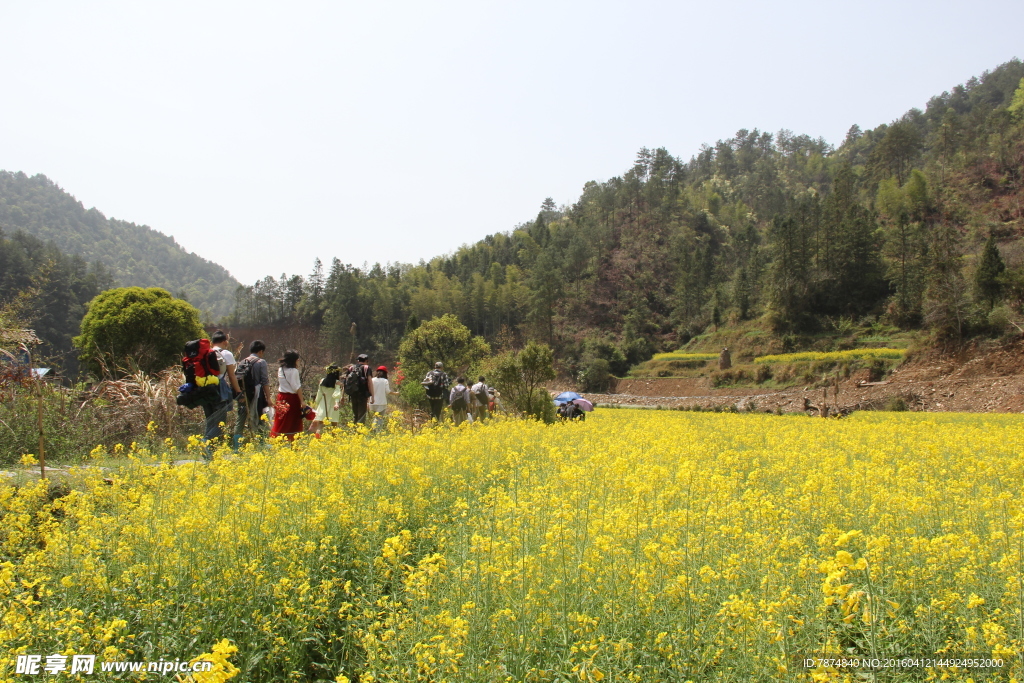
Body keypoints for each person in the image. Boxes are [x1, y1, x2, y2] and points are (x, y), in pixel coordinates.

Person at [234, 340, 271, 447]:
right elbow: (265, 381)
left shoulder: (242, 362)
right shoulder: (261, 362)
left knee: (240, 420)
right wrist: (268, 398)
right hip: (256, 395)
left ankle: (237, 447)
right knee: (260, 418)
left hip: (243, 395)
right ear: (260, 351)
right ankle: (262, 444)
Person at [271, 349, 305, 440]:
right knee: (292, 422)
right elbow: (297, 387)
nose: (299, 361)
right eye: (298, 359)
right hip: (292, 398)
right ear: (294, 360)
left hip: (281, 397)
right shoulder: (294, 371)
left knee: (281, 420)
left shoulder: (280, 369)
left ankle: (277, 440)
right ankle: (292, 442)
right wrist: (302, 401)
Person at [310, 363, 343, 435]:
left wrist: (316, 404)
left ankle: (317, 439)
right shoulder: (337, 383)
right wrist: (336, 403)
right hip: (333, 404)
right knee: (334, 424)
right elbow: (337, 394)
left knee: (320, 424)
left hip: (323, 404)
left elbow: (319, 393)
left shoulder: (322, 381)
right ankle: (333, 440)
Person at [344, 353, 372, 425]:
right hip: (363, 394)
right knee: (362, 414)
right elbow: (370, 382)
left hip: (353, 394)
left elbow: (346, 381)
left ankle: (355, 430)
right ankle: (360, 432)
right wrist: (372, 395)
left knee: (355, 414)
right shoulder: (367, 368)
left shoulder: (351, 368)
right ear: (366, 360)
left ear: (358, 360)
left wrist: (343, 395)